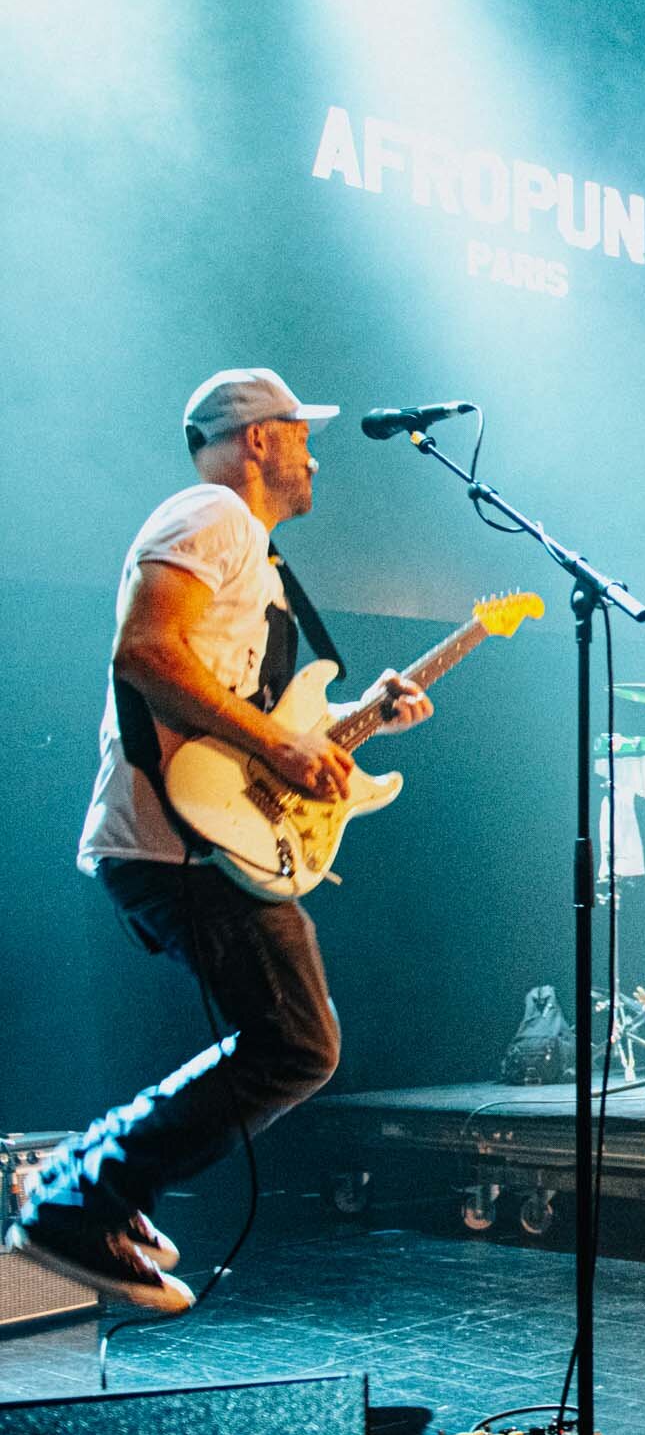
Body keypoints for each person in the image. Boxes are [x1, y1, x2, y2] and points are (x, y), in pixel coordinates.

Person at [6, 369, 434, 1311]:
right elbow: (146, 655)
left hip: (202, 836)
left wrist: (354, 722)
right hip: (174, 839)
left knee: (290, 1038)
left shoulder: (255, 556)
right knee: (295, 1041)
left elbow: (243, 719)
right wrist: (279, 739)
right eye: (301, 433)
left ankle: (88, 1187)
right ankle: (81, 1193)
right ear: (259, 440)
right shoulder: (208, 515)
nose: (314, 453)